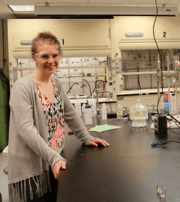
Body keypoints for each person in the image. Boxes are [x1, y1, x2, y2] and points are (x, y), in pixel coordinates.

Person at [8, 32, 110, 202]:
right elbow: (26, 129)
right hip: (32, 168)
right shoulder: (23, 87)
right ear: (35, 58)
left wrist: (86, 137)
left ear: (60, 55)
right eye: (44, 56)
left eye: (55, 55)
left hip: (53, 160)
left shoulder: (56, 82)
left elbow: (69, 113)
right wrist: (53, 156)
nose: (51, 61)